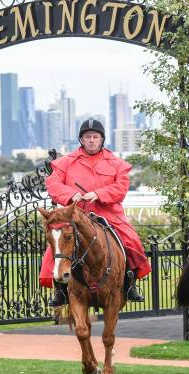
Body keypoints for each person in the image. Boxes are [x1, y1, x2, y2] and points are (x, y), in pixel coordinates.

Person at [43, 118, 151, 305]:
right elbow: (53, 183)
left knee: (130, 239)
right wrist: (71, 195)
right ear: (81, 140)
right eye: (87, 137)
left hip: (107, 212)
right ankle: (60, 290)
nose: (91, 140)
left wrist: (99, 194)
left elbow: (122, 187)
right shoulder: (66, 162)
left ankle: (129, 284)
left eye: (95, 137)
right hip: (75, 214)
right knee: (58, 243)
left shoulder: (116, 163)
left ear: (101, 139)